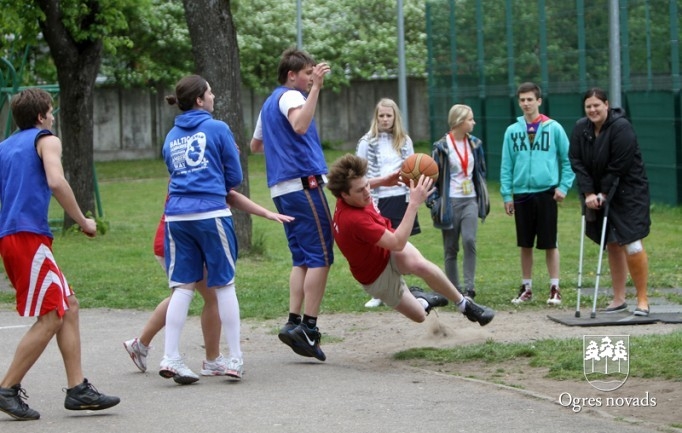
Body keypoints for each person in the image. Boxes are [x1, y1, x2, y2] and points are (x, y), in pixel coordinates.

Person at [0, 88, 120, 420]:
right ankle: (7, 387)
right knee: (52, 315)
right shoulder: (46, 139)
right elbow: (56, 180)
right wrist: (83, 220)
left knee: (68, 306)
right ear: (41, 116)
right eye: (51, 112)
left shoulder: (4, 147)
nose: (52, 117)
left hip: (12, 236)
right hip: (27, 237)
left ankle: (77, 388)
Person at [123, 191, 293, 380]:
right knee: (209, 297)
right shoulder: (201, 172)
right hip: (182, 237)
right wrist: (265, 213)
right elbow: (230, 195)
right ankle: (208, 360)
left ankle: (143, 345)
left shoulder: (185, 172)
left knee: (186, 295)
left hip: (176, 233)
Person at [327, 153, 495, 326]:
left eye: (367, 185)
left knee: (419, 264)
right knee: (419, 315)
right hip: (376, 275)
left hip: (387, 248)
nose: (367, 192)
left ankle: (465, 305)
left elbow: (361, 185)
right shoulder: (354, 220)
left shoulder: (351, 195)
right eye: (360, 190)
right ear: (344, 196)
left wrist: (383, 181)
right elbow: (397, 243)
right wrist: (414, 203)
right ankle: (421, 299)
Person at [250, 48, 333, 362]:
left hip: (281, 188)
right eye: (307, 74)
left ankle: (293, 322)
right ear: (292, 75)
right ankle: (309, 328)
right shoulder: (290, 97)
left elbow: (255, 145)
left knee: (302, 258)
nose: (311, 78)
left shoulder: (269, 102)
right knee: (321, 256)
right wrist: (315, 91)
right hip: (303, 184)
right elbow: (299, 126)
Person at [159, 74, 243, 384]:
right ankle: (234, 358)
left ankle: (171, 356)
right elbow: (234, 175)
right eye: (209, 91)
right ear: (199, 100)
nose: (213, 95)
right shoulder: (218, 128)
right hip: (210, 213)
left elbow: (171, 169)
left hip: (176, 217)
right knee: (224, 285)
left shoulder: (170, 136)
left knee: (182, 287)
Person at [569, 88, 651, 316]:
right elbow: (576, 160)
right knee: (612, 243)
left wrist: (603, 193)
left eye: (597, 105)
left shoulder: (622, 128)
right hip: (596, 192)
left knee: (632, 243)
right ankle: (618, 299)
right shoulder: (580, 128)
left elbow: (619, 166)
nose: (593, 110)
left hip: (628, 192)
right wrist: (588, 193)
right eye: (588, 106)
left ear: (606, 104)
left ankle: (642, 300)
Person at [500, 82, 575, 306]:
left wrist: (563, 186)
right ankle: (527, 287)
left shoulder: (553, 128)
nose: (525, 103)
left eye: (530, 99)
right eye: (522, 100)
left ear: (539, 101)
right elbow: (506, 165)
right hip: (522, 192)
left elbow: (568, 160)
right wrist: (506, 194)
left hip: (546, 192)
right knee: (525, 243)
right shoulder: (512, 131)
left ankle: (555, 287)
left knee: (550, 242)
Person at [356, 98, 419, 308]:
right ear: (376, 117)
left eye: (388, 116)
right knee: (380, 247)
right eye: (381, 115)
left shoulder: (405, 141)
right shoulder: (366, 141)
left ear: (395, 117)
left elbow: (413, 167)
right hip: (377, 199)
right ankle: (380, 292)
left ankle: (401, 289)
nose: (384, 119)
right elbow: (359, 171)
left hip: (401, 197)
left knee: (400, 246)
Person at [429, 104, 489, 299]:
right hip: (450, 202)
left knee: (470, 240)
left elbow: (480, 171)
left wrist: (483, 195)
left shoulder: (475, 144)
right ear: (459, 121)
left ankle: (469, 288)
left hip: (470, 199)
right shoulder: (441, 147)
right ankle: (454, 290)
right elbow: (432, 177)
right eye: (470, 119)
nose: (474, 122)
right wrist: (434, 201)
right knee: (451, 248)